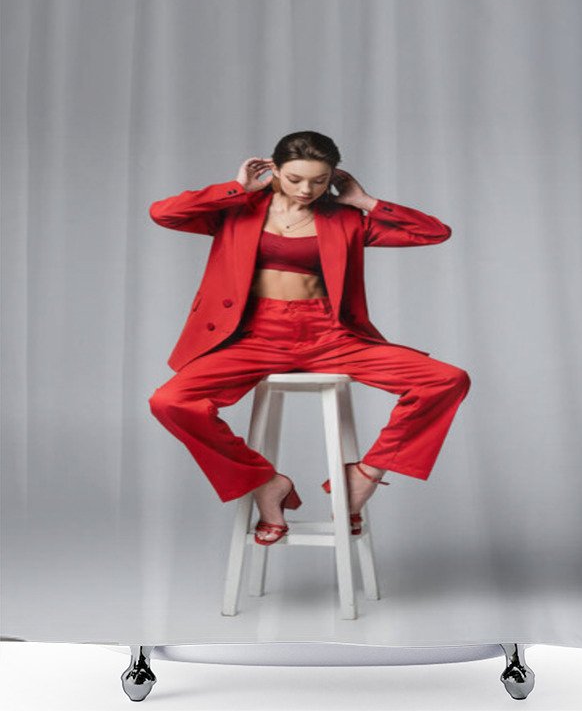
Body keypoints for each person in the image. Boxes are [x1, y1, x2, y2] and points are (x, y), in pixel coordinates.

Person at [148, 131, 471, 545]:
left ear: (333, 176)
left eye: (320, 181)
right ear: (274, 169)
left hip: (330, 335)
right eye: (296, 178)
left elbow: (434, 232)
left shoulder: (345, 218)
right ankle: (264, 481)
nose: (307, 190)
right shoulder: (237, 209)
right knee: (170, 402)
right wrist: (236, 188)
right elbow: (163, 214)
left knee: (446, 379)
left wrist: (366, 202)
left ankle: (364, 475)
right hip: (254, 335)